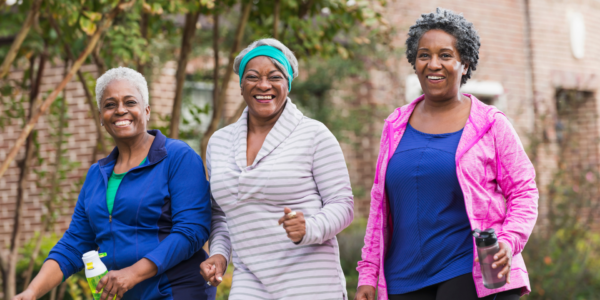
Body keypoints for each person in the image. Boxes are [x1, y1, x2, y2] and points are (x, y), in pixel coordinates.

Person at [355, 8, 538, 300]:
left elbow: (524, 191)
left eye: (445, 55)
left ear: (464, 64)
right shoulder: (395, 125)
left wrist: (508, 241)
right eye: (424, 55)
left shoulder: (491, 124)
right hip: (403, 274)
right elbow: (379, 205)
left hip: (471, 269)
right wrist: (368, 273)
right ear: (414, 63)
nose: (433, 64)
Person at [12, 67, 215, 300]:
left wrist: (133, 274)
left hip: (176, 290)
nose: (120, 110)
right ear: (101, 116)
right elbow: (75, 243)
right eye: (110, 105)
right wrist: (31, 292)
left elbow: (191, 230)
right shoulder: (96, 175)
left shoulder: (177, 157)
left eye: (130, 102)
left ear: (146, 110)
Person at [199, 38, 354, 300]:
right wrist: (219, 254)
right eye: (252, 77)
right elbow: (221, 215)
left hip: (310, 282)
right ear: (240, 85)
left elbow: (343, 204)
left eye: (274, 76)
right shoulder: (219, 142)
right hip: (251, 279)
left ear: (288, 84)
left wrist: (310, 228)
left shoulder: (314, 135)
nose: (263, 85)